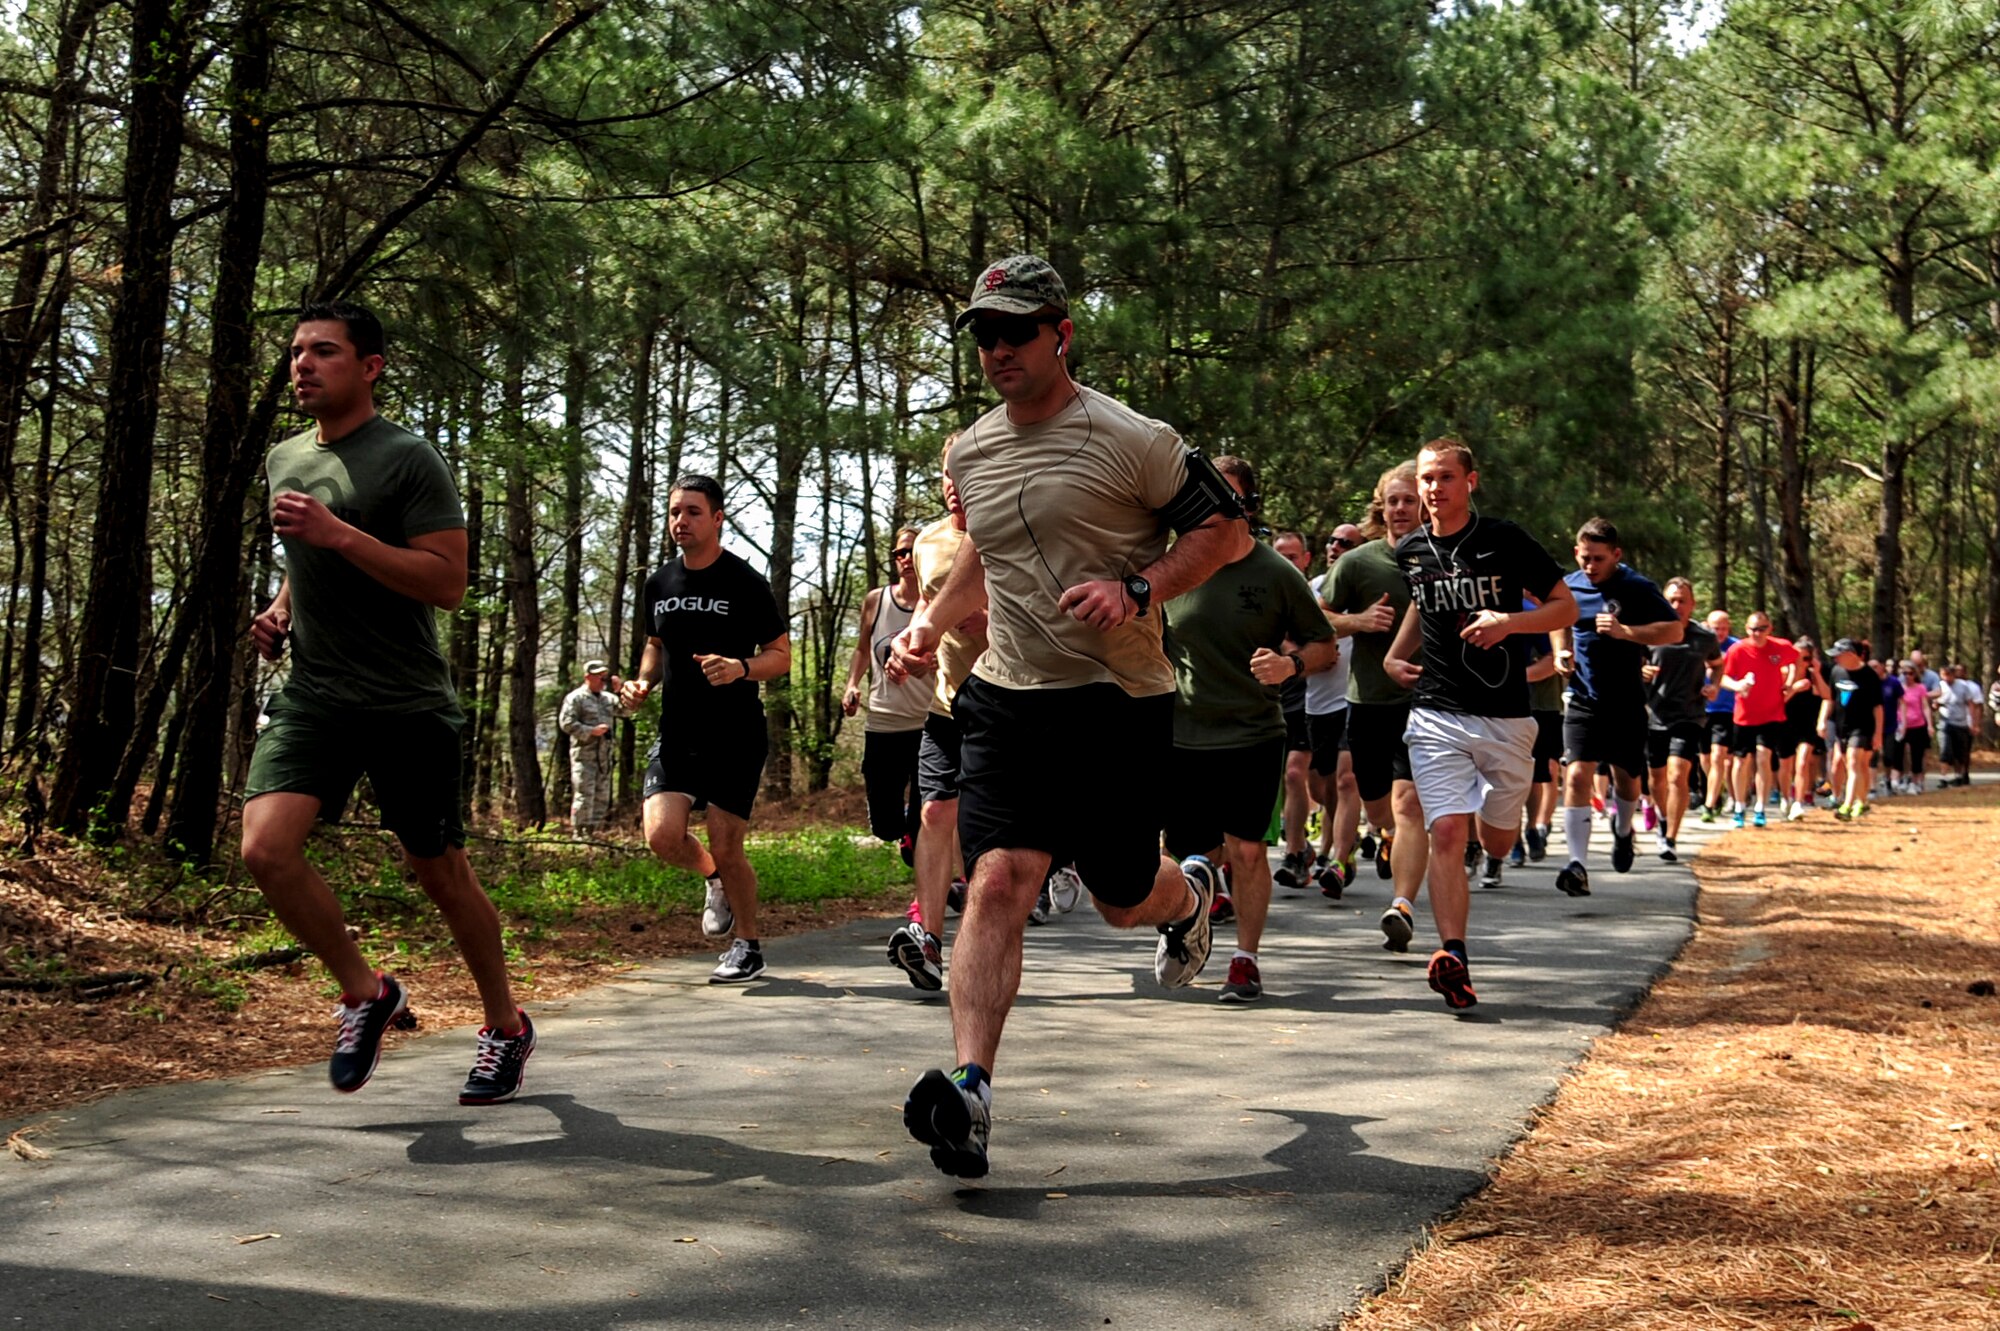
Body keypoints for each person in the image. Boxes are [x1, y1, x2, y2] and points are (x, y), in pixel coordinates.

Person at [892, 254, 1250, 1177]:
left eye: (1015, 329)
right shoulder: (970, 447)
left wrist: (1139, 586)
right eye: (983, 333)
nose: (997, 347)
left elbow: (1227, 532)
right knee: (1000, 878)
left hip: (1118, 700)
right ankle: (972, 1091)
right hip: (1008, 698)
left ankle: (1191, 899)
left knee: (1122, 896)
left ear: (1062, 332)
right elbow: (986, 551)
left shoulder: (1134, 439)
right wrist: (928, 624)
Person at [243, 300, 534, 1104]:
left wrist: (340, 535)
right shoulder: (284, 457)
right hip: (317, 695)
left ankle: (505, 1027)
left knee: (438, 872)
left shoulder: (410, 458)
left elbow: (446, 581)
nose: (303, 364)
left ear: (369, 367)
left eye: (324, 352)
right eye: (298, 351)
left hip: (406, 701)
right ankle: (365, 992)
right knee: (266, 848)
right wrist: (280, 609)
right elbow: (306, 566)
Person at [1383, 440, 1576, 1009]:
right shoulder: (1412, 548)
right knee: (1445, 831)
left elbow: (1565, 607)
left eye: (1445, 476)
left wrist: (1509, 623)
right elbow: (1424, 599)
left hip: (1507, 719)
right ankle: (1454, 957)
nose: (1433, 488)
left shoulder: (1506, 539)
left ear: (1471, 481)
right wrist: (1398, 653)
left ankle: (1499, 832)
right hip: (1437, 711)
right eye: (1426, 478)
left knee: (1497, 837)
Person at [1160, 459, 1337, 1003]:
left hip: (1253, 733)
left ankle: (1245, 960)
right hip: (1181, 734)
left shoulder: (1275, 574)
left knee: (1248, 849)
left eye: (1222, 497)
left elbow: (1324, 645)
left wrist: (1291, 667)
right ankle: (1185, 927)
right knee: (1184, 854)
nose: (1207, 507)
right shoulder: (1173, 567)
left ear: (1249, 507)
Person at [621, 475, 793, 984]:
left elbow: (781, 656)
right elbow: (655, 643)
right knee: (661, 835)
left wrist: (740, 667)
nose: (681, 521)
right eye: (675, 512)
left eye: (693, 512)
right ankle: (712, 880)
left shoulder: (744, 582)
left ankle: (749, 945)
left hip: (736, 733)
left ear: (717, 518)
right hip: (677, 730)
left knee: (726, 842)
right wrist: (642, 681)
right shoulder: (659, 584)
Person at [885, 439, 989, 992]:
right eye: (947, 473)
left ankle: (981, 940)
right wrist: (905, 648)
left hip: (1009, 705)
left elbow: (1051, 612)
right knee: (933, 814)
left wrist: (991, 621)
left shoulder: (1014, 529)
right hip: (946, 703)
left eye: (965, 471)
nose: (953, 483)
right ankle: (928, 937)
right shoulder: (927, 541)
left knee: (984, 835)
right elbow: (926, 607)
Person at [1320, 461, 1428, 950]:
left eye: (1409, 500)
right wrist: (1360, 622)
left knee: (1410, 805)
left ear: (1424, 504)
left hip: (1428, 702)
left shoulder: (1441, 558)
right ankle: (1383, 836)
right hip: (1367, 700)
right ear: (1381, 508)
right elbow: (1317, 619)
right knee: (1377, 803)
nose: (1400, 509)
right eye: (1393, 501)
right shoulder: (1359, 562)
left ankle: (1401, 905)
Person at [1548, 518, 1681, 897]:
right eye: (1586, 558)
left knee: (1627, 778)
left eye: (1599, 559)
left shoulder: (1636, 588)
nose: (1591, 566)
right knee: (1575, 775)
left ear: (1616, 555)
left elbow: (1673, 631)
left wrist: (1628, 633)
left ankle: (1624, 832)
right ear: (1576, 553)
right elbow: (1556, 618)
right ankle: (1577, 864)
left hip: (1625, 700)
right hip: (1583, 697)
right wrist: (1560, 651)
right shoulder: (1569, 586)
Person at [842, 527, 932, 865]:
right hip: (883, 723)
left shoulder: (940, 603)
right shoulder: (876, 601)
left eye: (912, 551)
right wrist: (852, 684)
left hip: (929, 725)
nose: (906, 559)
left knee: (924, 823)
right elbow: (863, 650)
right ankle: (904, 820)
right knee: (885, 825)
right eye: (899, 553)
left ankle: (919, 844)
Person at [1642, 577, 1720, 861]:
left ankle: (1670, 837)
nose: (1677, 605)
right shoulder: (1651, 631)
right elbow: (1635, 661)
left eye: (1682, 600)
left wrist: (1714, 685)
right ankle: (1662, 818)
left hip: (1690, 714)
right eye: (1671, 600)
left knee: (1678, 774)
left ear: (1692, 604)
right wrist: (1642, 671)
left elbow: (1716, 664)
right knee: (1657, 778)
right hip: (1655, 713)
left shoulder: (1704, 636)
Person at [1306, 524, 1362, 896]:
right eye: (1332, 541)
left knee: (1346, 779)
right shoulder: (1311, 589)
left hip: (1356, 698)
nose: (1336, 547)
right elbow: (1292, 635)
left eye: (1346, 543)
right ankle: (1339, 840)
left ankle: (1338, 859)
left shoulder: (1367, 589)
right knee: (1322, 786)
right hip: (1317, 700)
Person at [1270, 529, 1320, 889]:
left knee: (1295, 773)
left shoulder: (1314, 594)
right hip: (1268, 696)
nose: (1285, 562)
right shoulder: (1260, 589)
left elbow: (1329, 639)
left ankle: (1296, 850)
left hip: (1310, 693)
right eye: (1279, 554)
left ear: (1305, 559)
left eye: (1293, 556)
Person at [1718, 611, 1800, 826]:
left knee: (1764, 757)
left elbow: (1797, 659)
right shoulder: (1738, 650)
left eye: (1762, 629)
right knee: (1741, 761)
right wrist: (1737, 685)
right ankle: (1739, 806)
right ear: (1746, 629)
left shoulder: (1780, 647)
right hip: (1744, 715)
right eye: (1753, 629)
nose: (1757, 633)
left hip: (1772, 713)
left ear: (1769, 628)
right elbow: (1723, 676)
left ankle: (1760, 808)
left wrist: (1789, 683)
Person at [558, 660, 622, 832]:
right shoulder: (576, 698)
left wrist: (621, 692)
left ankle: (594, 833)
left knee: (601, 796)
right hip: (584, 756)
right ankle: (580, 833)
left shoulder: (609, 698)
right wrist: (590, 731)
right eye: (599, 676)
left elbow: (627, 711)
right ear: (588, 677)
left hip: (604, 757)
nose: (603, 680)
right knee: (584, 795)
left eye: (604, 676)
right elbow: (566, 723)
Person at [1826, 638, 1882, 819]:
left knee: (1853, 762)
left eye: (1838, 655)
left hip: (1863, 727)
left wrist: (1878, 733)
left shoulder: (1869, 675)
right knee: (1857, 767)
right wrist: (1822, 720)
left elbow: (1878, 707)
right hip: (1842, 727)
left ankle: (1847, 806)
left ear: (1850, 654)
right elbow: (1830, 699)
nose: (1835, 659)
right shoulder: (1836, 671)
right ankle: (1863, 802)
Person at [1781, 639, 1830, 819]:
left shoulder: (1815, 675)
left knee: (1802, 762)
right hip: (1785, 722)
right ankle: (1786, 797)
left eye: (1806, 657)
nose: (1801, 661)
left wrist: (1816, 674)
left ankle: (1798, 802)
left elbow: (1827, 696)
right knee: (1785, 765)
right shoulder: (1784, 672)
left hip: (1807, 724)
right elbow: (1778, 701)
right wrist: (1794, 687)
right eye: (1796, 656)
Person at [1697, 609, 1737, 822]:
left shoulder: (1736, 647)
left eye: (1723, 628)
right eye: (1715, 628)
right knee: (1705, 759)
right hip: (1701, 709)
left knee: (1718, 756)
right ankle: (1717, 792)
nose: (1720, 632)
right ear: (1708, 626)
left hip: (1726, 709)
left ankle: (1709, 804)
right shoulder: (1699, 643)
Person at [1933, 663, 1982, 788]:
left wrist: (1973, 723)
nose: (1946, 678)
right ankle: (1943, 777)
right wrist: (1936, 705)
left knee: (1959, 752)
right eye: (1943, 675)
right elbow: (1933, 701)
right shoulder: (1940, 686)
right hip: (1945, 722)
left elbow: (1971, 704)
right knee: (1945, 750)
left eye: (1948, 675)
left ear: (1953, 675)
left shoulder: (1963, 686)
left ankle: (1958, 776)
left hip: (1961, 723)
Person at [1890, 659, 1934, 792]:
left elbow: (1925, 707)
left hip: (1918, 725)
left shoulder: (1921, 688)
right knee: (1898, 754)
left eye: (1910, 673)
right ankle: (1896, 781)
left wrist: (1930, 725)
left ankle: (1915, 783)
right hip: (1901, 725)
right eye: (1904, 673)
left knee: (1917, 754)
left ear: (1915, 675)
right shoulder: (1899, 688)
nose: (1907, 676)